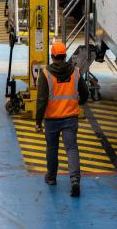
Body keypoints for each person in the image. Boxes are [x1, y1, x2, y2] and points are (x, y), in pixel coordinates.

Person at [35, 42, 81, 196]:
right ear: (65, 56)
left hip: (52, 119)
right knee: (71, 148)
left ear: (52, 56)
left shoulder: (46, 73)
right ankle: (75, 180)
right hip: (70, 117)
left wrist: (38, 121)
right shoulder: (75, 72)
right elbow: (85, 94)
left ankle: (52, 177)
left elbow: (41, 100)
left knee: (52, 148)